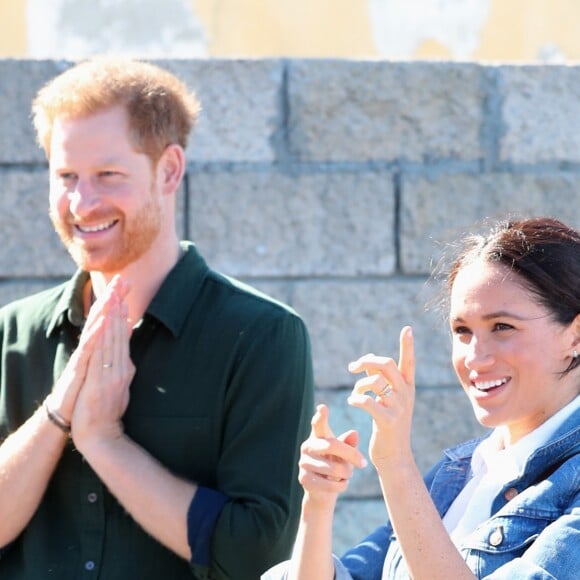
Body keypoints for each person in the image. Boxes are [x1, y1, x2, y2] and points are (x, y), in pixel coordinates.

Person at [0, 56, 314, 579]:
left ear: (169, 170)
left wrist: (105, 443)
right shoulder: (12, 335)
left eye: (108, 175)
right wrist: (59, 414)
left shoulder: (262, 337)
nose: (82, 203)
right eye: (66, 176)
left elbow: (258, 557)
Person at [264, 216, 580, 579]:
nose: (475, 357)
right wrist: (317, 504)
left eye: (502, 327)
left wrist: (396, 463)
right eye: (462, 331)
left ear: (575, 335)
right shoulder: (456, 473)